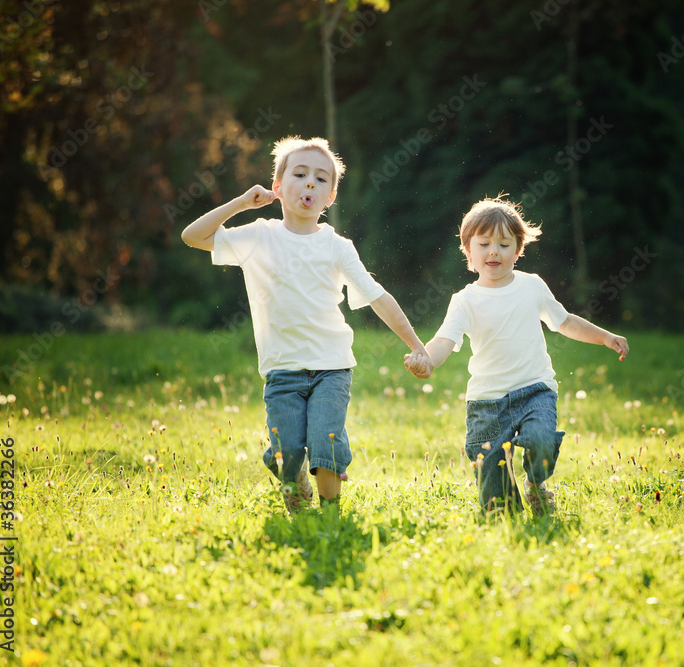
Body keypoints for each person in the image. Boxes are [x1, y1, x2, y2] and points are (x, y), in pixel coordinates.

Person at [182, 135, 430, 513]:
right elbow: (192, 236)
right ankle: (294, 490)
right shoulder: (259, 236)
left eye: (321, 178)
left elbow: (379, 297)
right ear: (278, 188)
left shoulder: (338, 246)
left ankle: (330, 518)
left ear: (330, 197)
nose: (310, 182)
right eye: (299, 174)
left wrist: (417, 345)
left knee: (325, 445)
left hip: (332, 367)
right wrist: (240, 204)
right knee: (286, 456)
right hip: (282, 371)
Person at [405, 195, 628, 516]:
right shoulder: (464, 300)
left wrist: (606, 337)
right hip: (486, 403)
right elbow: (444, 340)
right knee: (498, 508)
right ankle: (505, 503)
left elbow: (564, 321)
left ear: (518, 251)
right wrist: (425, 360)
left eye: (504, 244)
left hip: (534, 390)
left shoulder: (532, 286)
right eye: (483, 244)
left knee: (540, 441)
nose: (493, 251)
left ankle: (536, 484)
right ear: (468, 251)